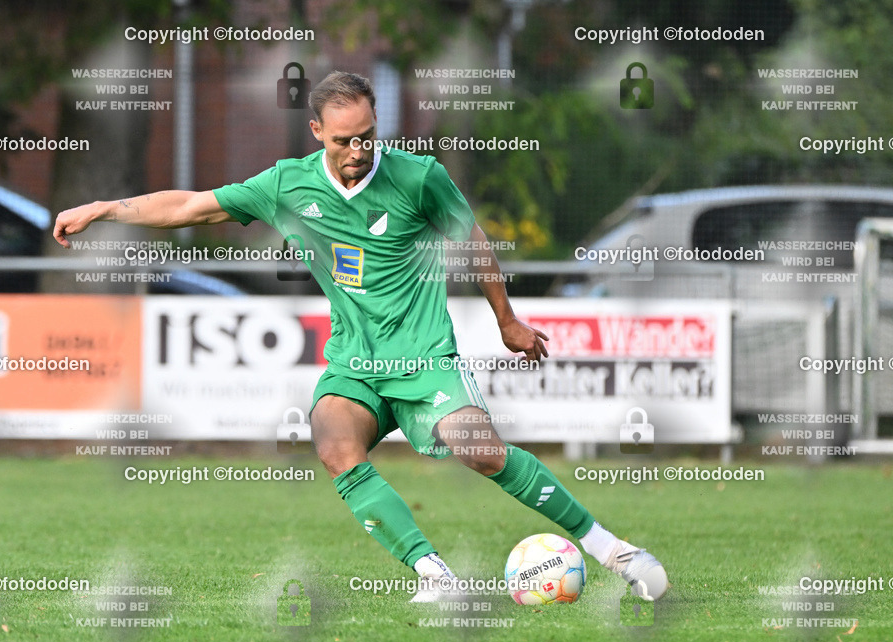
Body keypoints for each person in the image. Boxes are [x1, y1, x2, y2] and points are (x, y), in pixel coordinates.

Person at [53, 71, 668, 602]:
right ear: (317, 131)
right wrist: (104, 208)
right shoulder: (289, 186)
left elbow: (471, 238)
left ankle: (611, 549)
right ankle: (435, 575)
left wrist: (506, 319)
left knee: (481, 452)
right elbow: (190, 206)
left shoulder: (419, 177)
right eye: (344, 139)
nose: (358, 150)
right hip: (355, 362)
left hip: (425, 356)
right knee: (333, 442)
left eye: (368, 136)